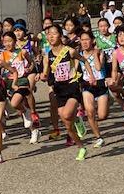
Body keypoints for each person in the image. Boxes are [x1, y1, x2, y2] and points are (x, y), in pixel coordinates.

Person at [40, 26, 96, 161]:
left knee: (66, 114)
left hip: (72, 86)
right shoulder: (47, 56)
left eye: (54, 34)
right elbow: (46, 73)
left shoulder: (69, 51)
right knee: (67, 124)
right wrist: (42, 76)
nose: (51, 37)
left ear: (60, 35)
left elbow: (84, 60)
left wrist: (91, 76)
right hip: (58, 89)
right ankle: (81, 147)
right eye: (48, 35)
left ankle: (76, 118)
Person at [78, 31, 109, 148]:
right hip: (87, 85)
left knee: (102, 116)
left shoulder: (100, 53)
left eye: (87, 39)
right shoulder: (79, 55)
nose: (85, 42)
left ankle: (107, 101)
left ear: (93, 40)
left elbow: (98, 67)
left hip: (100, 83)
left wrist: (95, 54)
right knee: (90, 112)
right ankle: (98, 137)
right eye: (82, 40)